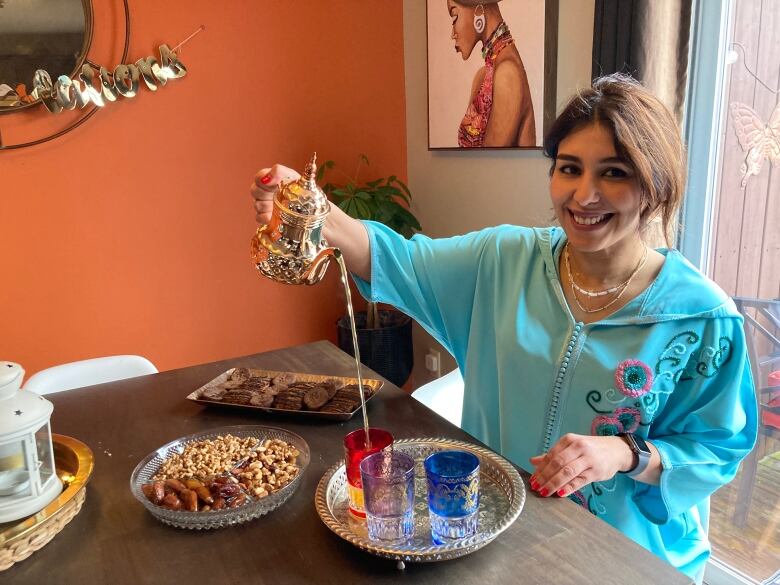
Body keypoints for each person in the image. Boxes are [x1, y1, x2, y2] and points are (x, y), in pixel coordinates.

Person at [250, 75, 757, 583]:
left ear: (655, 184)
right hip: (492, 538)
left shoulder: (702, 318)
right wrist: (305, 203)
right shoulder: (503, 260)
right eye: (569, 169)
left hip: (622, 560)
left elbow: (717, 448)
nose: (585, 195)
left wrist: (626, 452)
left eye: (615, 173)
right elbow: (395, 260)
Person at [447, 0, 536, 147]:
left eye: (454, 16)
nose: (453, 34)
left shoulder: (508, 74)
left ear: (479, 11)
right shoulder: (482, 76)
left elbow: (488, 164)